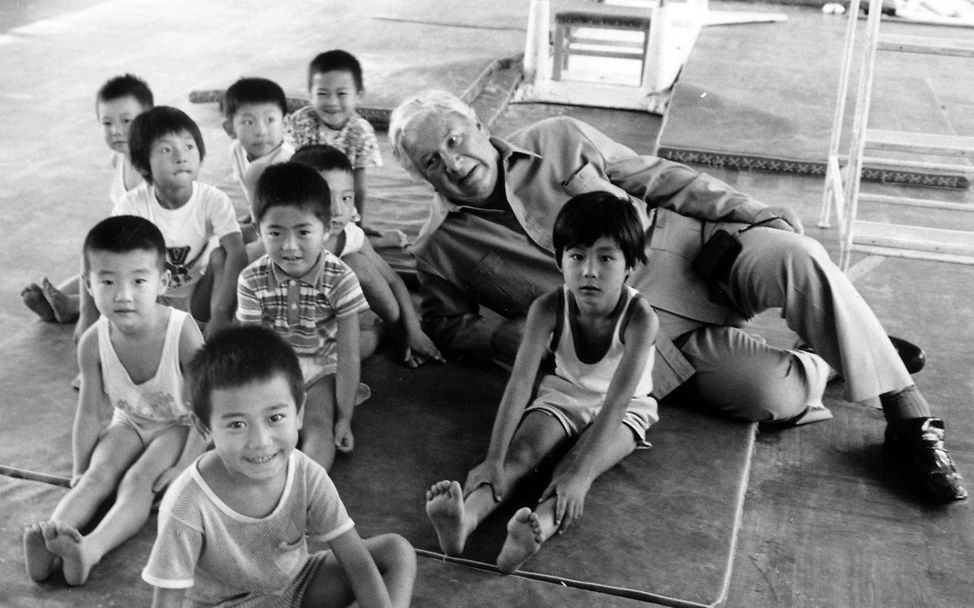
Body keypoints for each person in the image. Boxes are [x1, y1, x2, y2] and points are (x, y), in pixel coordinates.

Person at [389, 90, 966, 503]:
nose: (455, 163)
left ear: (475, 122)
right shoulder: (439, 247)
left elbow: (660, 179)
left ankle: (909, 419)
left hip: (695, 256)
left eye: (455, 141)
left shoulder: (560, 137)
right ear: (421, 175)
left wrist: (754, 212)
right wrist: (501, 335)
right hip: (646, 344)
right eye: (432, 161)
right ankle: (839, 349)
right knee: (773, 398)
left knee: (800, 258)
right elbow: (446, 322)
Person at [426, 192, 660, 573]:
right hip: (565, 394)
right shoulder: (548, 307)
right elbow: (520, 384)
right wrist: (493, 459)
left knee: (568, 473)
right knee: (520, 456)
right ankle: (465, 520)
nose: (589, 271)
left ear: (630, 265)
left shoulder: (641, 318)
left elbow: (617, 401)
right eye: (577, 256)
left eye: (606, 258)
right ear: (559, 260)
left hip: (627, 407)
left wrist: (581, 476)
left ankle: (533, 533)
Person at [142, 325, 416, 608]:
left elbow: (356, 561)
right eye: (237, 424)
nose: (260, 441)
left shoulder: (308, 474)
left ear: (298, 413)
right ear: (204, 428)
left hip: (297, 584)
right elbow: (167, 602)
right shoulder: (187, 501)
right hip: (225, 604)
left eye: (275, 417)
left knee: (395, 551)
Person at [22, 216, 206, 586]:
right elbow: (89, 412)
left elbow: (207, 409)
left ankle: (90, 550)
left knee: (138, 480)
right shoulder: (93, 341)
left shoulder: (181, 331)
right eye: (107, 281)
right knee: (96, 475)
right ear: (88, 285)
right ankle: (53, 535)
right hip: (131, 421)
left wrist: (183, 467)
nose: (123, 295)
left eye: (138, 281)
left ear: (162, 282)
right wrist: (78, 469)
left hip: (180, 425)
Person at [237, 162, 370, 469]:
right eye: (275, 232)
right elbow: (251, 350)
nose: (290, 246)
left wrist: (345, 418)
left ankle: (304, 494)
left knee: (320, 424)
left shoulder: (341, 278)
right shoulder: (250, 279)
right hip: (271, 367)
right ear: (258, 231)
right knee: (260, 428)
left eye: (303, 232)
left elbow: (348, 355)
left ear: (326, 229)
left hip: (321, 368)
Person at [79, 105, 248, 341]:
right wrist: (88, 317)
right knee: (117, 266)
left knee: (221, 255)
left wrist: (221, 316)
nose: (181, 157)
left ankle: (213, 336)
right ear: (142, 165)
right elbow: (100, 255)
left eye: (189, 147)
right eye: (167, 149)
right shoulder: (132, 205)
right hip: (150, 298)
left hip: (200, 297)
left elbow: (237, 253)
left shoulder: (213, 200)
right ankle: (107, 347)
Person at [292, 144, 443, 368]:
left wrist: (412, 330)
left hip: (333, 314)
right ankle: (378, 334)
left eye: (346, 198)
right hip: (301, 325)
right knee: (319, 364)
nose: (337, 210)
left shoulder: (349, 237)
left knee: (357, 264)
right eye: (325, 197)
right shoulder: (281, 242)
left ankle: (389, 330)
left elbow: (393, 280)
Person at [21, 74, 153, 327]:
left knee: (104, 266)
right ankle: (60, 301)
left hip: (147, 253)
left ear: (148, 120)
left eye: (127, 121)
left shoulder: (152, 166)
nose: (116, 131)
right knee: (91, 264)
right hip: (121, 247)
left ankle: (74, 308)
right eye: (107, 123)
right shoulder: (120, 159)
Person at [284, 49, 385, 235]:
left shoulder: (361, 132)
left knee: (352, 242)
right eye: (322, 93)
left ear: (359, 94)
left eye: (341, 94)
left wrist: (359, 222)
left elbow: (359, 185)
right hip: (304, 201)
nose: (332, 102)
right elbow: (287, 171)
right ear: (309, 94)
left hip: (339, 208)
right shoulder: (301, 122)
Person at [223, 76, 295, 220]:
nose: (261, 131)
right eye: (249, 122)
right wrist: (251, 217)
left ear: (285, 124)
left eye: (270, 120)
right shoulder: (236, 150)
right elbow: (252, 195)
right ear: (230, 129)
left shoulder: (289, 160)